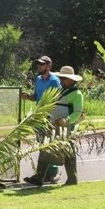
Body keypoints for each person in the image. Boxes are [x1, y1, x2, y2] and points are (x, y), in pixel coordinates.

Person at [25, 66, 84, 187]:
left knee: (68, 153)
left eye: (65, 79)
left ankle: (72, 179)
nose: (62, 81)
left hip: (67, 128)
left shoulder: (77, 94)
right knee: (46, 148)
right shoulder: (59, 91)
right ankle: (39, 177)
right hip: (53, 125)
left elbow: (78, 112)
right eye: (61, 78)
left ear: (72, 80)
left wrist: (66, 120)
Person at [22, 55, 62, 184]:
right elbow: (36, 97)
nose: (39, 66)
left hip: (49, 117)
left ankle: (53, 172)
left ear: (49, 66)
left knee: (48, 144)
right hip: (39, 116)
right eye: (38, 64)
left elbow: (56, 100)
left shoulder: (54, 81)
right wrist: (28, 97)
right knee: (41, 145)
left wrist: (53, 118)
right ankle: (44, 174)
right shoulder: (38, 79)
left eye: (42, 64)